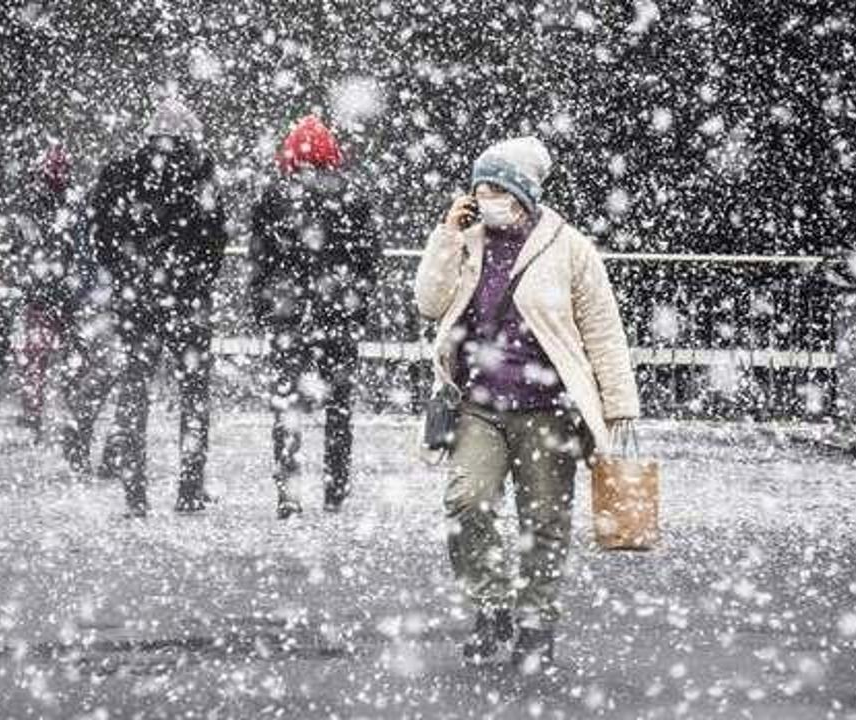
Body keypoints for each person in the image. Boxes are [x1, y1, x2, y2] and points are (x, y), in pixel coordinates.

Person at [412, 136, 640, 669]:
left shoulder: (568, 247)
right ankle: (492, 606)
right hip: (479, 404)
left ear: (522, 192)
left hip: (548, 408)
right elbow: (428, 302)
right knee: (467, 502)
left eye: (495, 187)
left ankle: (536, 622)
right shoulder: (468, 241)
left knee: (543, 520)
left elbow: (603, 329)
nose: (485, 197)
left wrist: (618, 405)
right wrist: (447, 235)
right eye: (479, 188)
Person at [86, 97, 228, 516]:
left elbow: (101, 235)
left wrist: (129, 275)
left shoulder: (120, 172)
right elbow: (214, 238)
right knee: (194, 393)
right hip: (187, 300)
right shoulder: (201, 174)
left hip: (136, 300)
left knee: (134, 389)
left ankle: (135, 493)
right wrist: (194, 278)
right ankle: (189, 486)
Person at [248, 115, 378, 518]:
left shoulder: (273, 197)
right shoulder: (353, 197)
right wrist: (356, 305)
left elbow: (260, 260)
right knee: (339, 407)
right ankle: (335, 490)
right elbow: (368, 261)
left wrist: (263, 308)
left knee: (287, 405)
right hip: (338, 313)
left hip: (289, 316)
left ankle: (289, 493)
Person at [11, 143, 77, 442]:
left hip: (46, 289)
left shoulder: (33, 204)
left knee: (37, 356)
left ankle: (36, 411)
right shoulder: (68, 203)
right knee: (51, 355)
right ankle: (59, 411)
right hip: (58, 290)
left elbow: (22, 245)